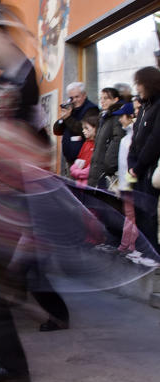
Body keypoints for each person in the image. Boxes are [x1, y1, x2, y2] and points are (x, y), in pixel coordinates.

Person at [128, 66, 160, 253]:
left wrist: (138, 166)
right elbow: (135, 138)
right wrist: (132, 164)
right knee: (138, 213)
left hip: (148, 171)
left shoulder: (157, 106)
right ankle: (145, 252)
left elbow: (154, 141)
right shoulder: (144, 107)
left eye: (139, 83)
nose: (137, 87)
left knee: (150, 216)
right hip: (137, 171)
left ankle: (153, 255)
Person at [115, 103, 140, 260]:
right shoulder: (127, 138)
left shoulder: (131, 138)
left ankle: (128, 245)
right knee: (130, 215)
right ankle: (127, 245)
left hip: (130, 184)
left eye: (121, 116)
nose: (119, 119)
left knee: (131, 216)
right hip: (126, 183)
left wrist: (127, 183)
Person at [53, 82, 100, 167]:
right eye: (71, 98)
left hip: (84, 160)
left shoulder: (91, 109)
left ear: (84, 95)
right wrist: (62, 118)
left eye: (77, 97)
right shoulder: (71, 109)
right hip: (70, 159)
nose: (74, 100)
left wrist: (68, 117)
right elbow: (56, 131)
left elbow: (83, 130)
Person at [88, 87, 124, 188]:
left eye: (106, 98)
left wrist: (108, 166)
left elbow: (117, 140)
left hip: (106, 171)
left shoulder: (116, 117)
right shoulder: (103, 117)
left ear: (115, 100)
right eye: (101, 98)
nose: (102, 101)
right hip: (98, 167)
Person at [69, 115, 97, 187]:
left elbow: (91, 169)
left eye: (86, 128)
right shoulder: (86, 143)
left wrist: (76, 172)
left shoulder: (97, 145)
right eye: (83, 128)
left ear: (95, 128)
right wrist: (75, 171)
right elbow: (78, 162)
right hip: (80, 182)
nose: (83, 131)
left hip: (88, 183)